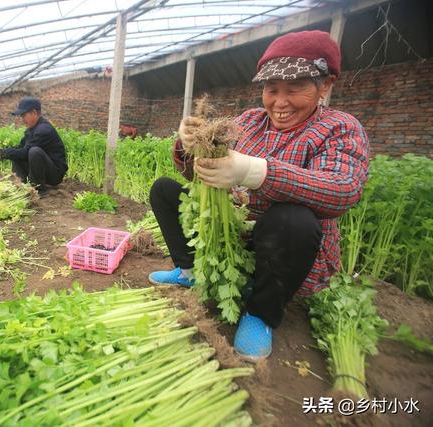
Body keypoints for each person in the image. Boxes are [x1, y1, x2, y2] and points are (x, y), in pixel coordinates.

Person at [148, 30, 370, 361]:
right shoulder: (250, 121)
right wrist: (188, 145)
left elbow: (343, 190)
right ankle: (190, 271)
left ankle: (261, 313)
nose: (280, 102)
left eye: (294, 89)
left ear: (325, 86)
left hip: (283, 253)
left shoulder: (339, 128)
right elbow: (196, 175)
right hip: (232, 240)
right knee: (165, 190)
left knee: (293, 218)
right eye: (271, 89)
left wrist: (256, 172)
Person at [0, 96, 68, 198]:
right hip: (44, 170)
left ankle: (39, 190)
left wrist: (1, 151)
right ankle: (19, 185)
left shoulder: (43, 130)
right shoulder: (31, 130)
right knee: (16, 154)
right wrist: (2, 152)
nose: (22, 120)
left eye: (23, 115)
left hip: (54, 174)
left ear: (34, 113)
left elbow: (25, 152)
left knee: (34, 151)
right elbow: (19, 149)